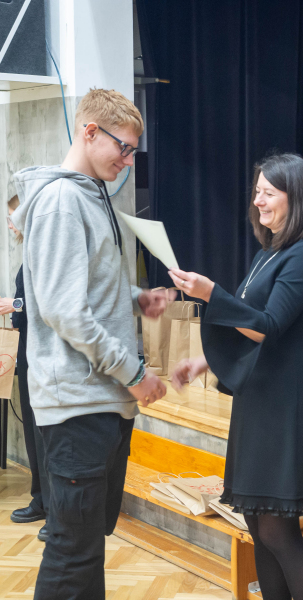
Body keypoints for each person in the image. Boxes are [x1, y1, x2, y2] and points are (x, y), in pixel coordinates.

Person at [11, 88, 171, 600]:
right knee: (71, 551)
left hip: (101, 402)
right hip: (78, 404)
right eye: (123, 148)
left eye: (133, 151)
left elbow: (87, 290)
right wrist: (135, 374)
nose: (128, 161)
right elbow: (65, 311)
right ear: (89, 132)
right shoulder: (61, 202)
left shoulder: (91, 195)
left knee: (86, 547)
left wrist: (136, 298)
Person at [169, 153, 303, 600]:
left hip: (284, 404)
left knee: (279, 532)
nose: (258, 201)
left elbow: (268, 326)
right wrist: (204, 362)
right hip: (257, 399)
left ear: (295, 198)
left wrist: (211, 293)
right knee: (259, 528)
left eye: (268, 192)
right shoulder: (269, 253)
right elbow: (248, 325)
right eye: (257, 191)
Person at [1, 195, 50, 541]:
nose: (9, 224)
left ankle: (55, 507)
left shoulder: (45, 250)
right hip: (29, 350)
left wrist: (13, 304)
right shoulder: (30, 250)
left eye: (11, 216)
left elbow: (47, 302)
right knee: (33, 432)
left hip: (45, 355)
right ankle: (41, 499)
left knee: (45, 434)